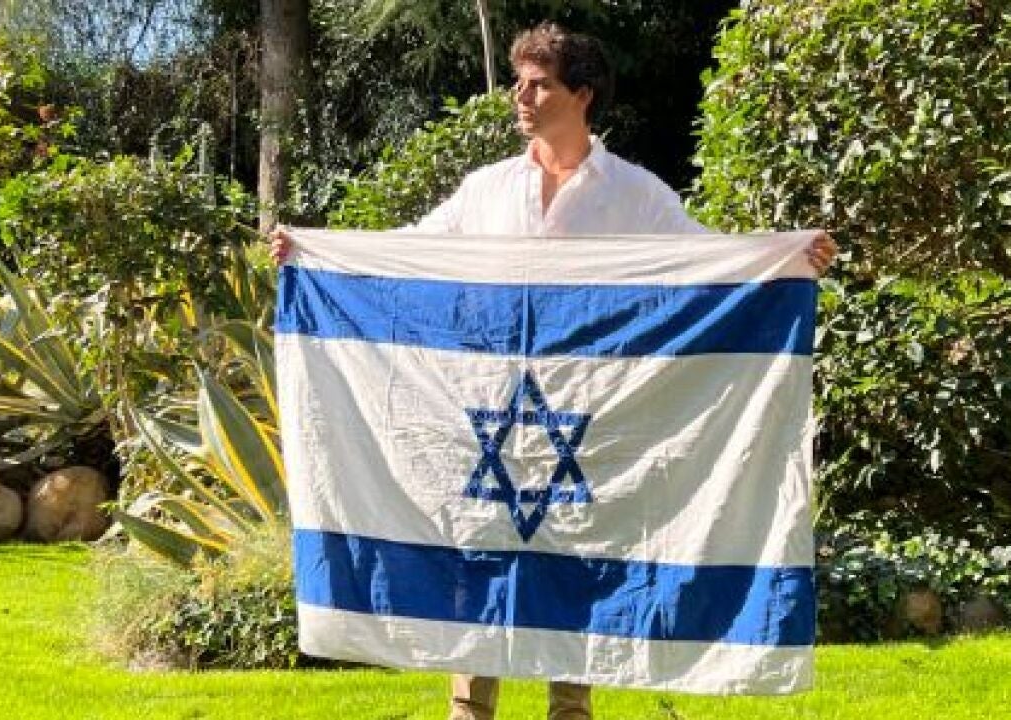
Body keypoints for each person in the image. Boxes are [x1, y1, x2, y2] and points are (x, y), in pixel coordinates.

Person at [272, 21, 836, 720]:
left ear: (582, 95)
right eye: (520, 83)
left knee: (576, 584)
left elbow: (707, 265)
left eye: (539, 85)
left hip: (586, 424)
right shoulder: (487, 190)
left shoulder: (632, 194)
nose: (522, 97)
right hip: (487, 418)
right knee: (478, 581)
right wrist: (314, 256)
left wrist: (785, 264)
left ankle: (571, 709)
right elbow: (411, 255)